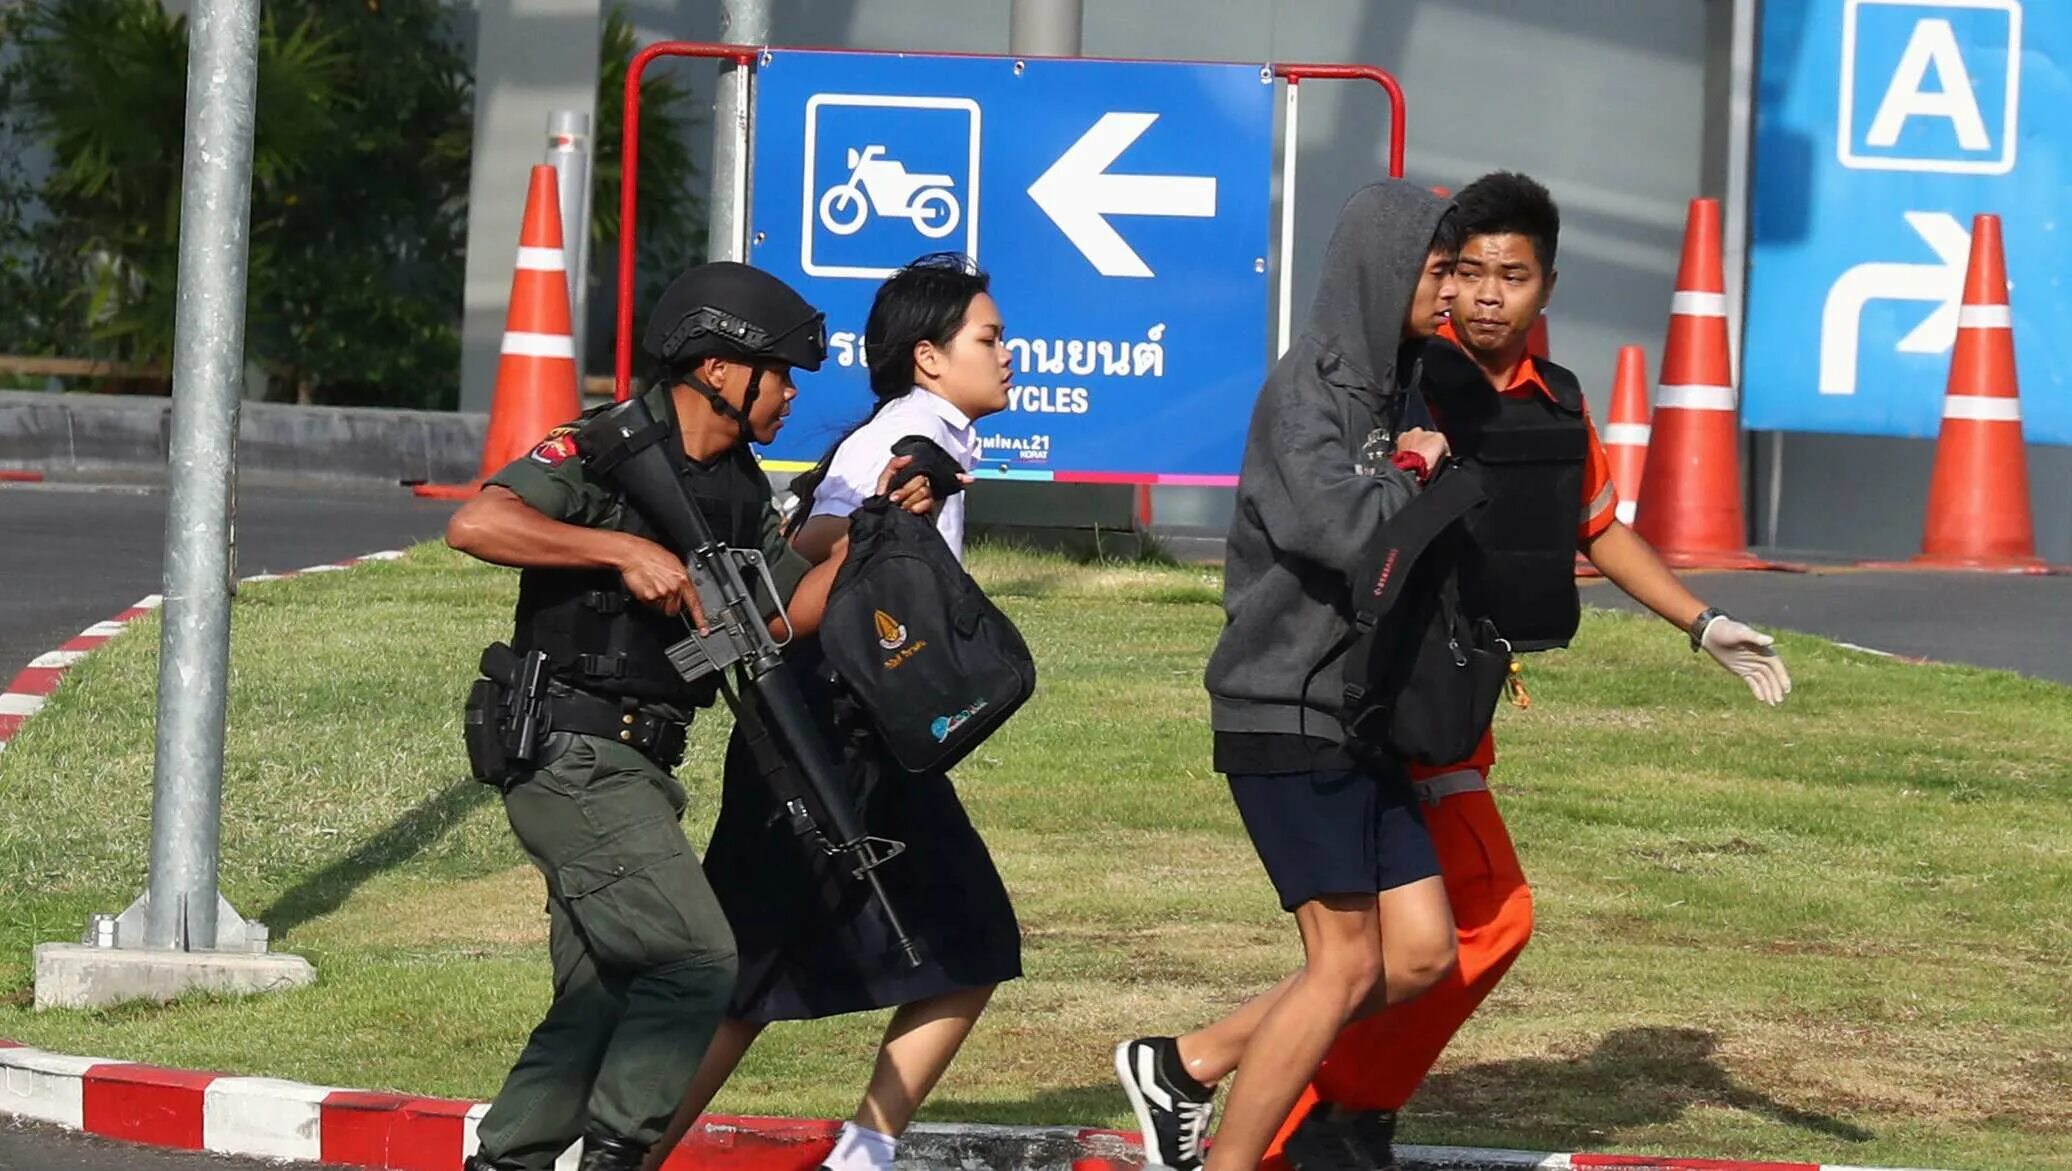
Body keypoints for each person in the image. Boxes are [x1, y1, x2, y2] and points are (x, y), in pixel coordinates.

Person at [1264, 171, 1794, 1171]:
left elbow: (1597, 528)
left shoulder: (1553, 401)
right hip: (1386, 698)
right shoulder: (1401, 381)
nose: (1483, 295)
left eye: (1510, 274)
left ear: (1548, 283)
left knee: (1450, 931)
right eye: (1464, 271)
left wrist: (1703, 621)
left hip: (1458, 701)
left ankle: (1319, 1106)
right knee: (1478, 919)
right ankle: (1282, 1097)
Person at [448, 261, 939, 1171]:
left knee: (602, 996)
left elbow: (775, 619)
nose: (791, 394)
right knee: (697, 961)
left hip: (642, 765)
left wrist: (875, 529)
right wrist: (619, 548)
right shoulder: (606, 445)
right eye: (781, 373)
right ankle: (620, 1157)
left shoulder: (740, 490)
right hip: (570, 750)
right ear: (719, 369)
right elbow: (479, 524)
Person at [1111, 181, 1467, 1171]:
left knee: (1421, 952)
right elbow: (1341, 530)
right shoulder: (1304, 393)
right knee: (1344, 962)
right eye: (1438, 272)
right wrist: (1409, 470)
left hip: (1358, 713)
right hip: (1284, 704)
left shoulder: (1399, 382)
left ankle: (1187, 1064)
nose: (1450, 292)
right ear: (1384, 270)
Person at [641, 253, 1020, 1171]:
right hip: (819, 734)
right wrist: (897, 498)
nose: (1009, 354)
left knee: (968, 943)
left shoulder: (924, 437)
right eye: (990, 337)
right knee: (749, 975)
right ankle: (624, 1152)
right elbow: (808, 555)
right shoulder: (900, 440)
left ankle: (864, 1150)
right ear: (930, 357)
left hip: (864, 739)